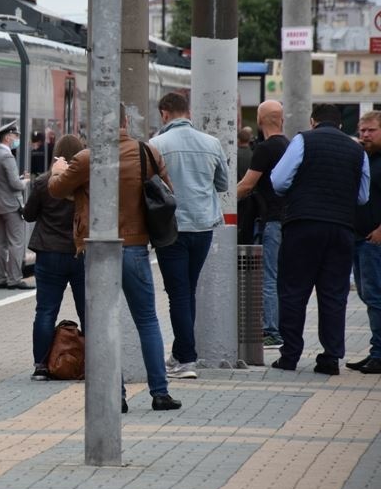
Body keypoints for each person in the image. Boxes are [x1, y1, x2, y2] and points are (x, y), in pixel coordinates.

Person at [49, 104, 182, 412]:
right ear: (126, 121)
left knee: (102, 323)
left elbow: (56, 190)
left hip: (97, 250)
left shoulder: (86, 158)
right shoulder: (147, 153)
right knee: (147, 320)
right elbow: (168, 191)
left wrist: (57, 171)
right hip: (135, 246)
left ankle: (115, 394)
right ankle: (160, 392)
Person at [270, 104, 369, 375]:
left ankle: (289, 355)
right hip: (341, 229)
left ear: (313, 121)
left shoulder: (303, 139)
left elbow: (278, 181)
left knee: (293, 291)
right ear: (340, 124)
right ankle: (330, 359)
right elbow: (362, 196)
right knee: (334, 294)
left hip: (303, 225)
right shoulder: (357, 149)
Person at [149, 93, 228, 380]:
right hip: (204, 227)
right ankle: (181, 353)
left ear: (164, 113)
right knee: (188, 291)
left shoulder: (156, 145)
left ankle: (186, 359)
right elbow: (222, 183)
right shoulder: (212, 143)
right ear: (188, 112)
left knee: (178, 295)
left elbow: (149, 187)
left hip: (171, 227)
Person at [24, 134, 86, 381]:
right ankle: (91, 363)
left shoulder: (43, 182)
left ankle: (41, 365)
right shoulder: (87, 183)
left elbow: (29, 215)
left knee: (46, 310)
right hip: (80, 253)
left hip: (49, 254)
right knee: (87, 310)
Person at [236, 100, 288, 349]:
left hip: (272, 220)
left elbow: (247, 185)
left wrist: (222, 202)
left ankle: (271, 331)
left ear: (259, 120)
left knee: (268, 277)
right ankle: (282, 328)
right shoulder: (290, 146)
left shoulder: (265, 149)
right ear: (282, 120)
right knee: (281, 277)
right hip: (290, 220)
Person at [352, 110, 381, 374]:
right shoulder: (365, 159)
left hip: (375, 240)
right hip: (359, 238)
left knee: (375, 296)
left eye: (371, 130)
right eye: (362, 130)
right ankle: (376, 350)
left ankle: (379, 353)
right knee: (366, 294)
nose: (365, 135)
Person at [0, 121, 32, 290]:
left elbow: (1, 182)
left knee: (0, 242)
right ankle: (14, 278)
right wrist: (26, 181)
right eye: (15, 136)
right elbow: (15, 185)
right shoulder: (7, 156)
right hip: (12, 205)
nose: (16, 139)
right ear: (7, 137)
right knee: (16, 242)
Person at [236, 127, 257, 244]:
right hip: (250, 199)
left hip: (236, 195)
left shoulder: (234, 155)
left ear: (238, 140)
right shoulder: (253, 154)